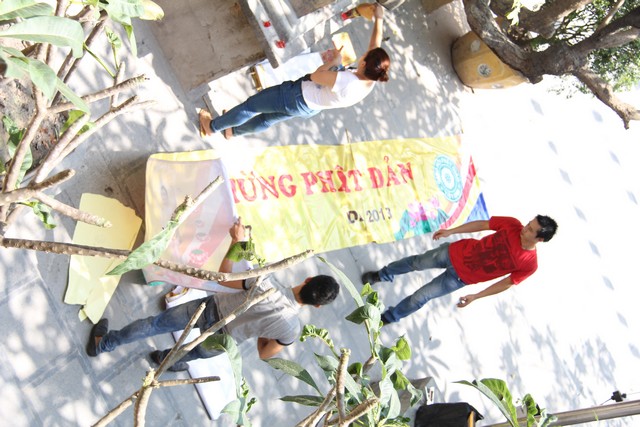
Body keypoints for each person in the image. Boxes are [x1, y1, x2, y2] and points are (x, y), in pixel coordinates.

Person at [86, 218, 340, 371]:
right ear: (317, 306)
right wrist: (264, 325)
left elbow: (223, 276)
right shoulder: (291, 330)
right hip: (224, 340)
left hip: (207, 310)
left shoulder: (264, 281)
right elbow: (265, 353)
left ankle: (104, 344)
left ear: (307, 280)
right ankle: (163, 359)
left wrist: (236, 242)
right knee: (191, 353)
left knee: (154, 325)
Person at [198, 3, 390, 139]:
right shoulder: (371, 79)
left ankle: (212, 127)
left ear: (364, 64)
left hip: (295, 96)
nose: (365, 53)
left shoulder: (346, 81)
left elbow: (316, 76)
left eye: (365, 55)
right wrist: (379, 19)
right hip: (309, 107)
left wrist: (334, 61)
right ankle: (232, 131)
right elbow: (376, 43)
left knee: (251, 106)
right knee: (266, 119)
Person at [361, 215, 558, 324]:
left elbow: (506, 283)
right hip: (454, 252)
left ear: (540, 239)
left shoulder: (529, 264)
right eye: (528, 223)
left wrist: (476, 296)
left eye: (530, 230)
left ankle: (389, 317)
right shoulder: (512, 224)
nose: (524, 228)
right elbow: (483, 224)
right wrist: (452, 231)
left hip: (459, 279)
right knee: (416, 262)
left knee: (420, 297)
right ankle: (383, 274)